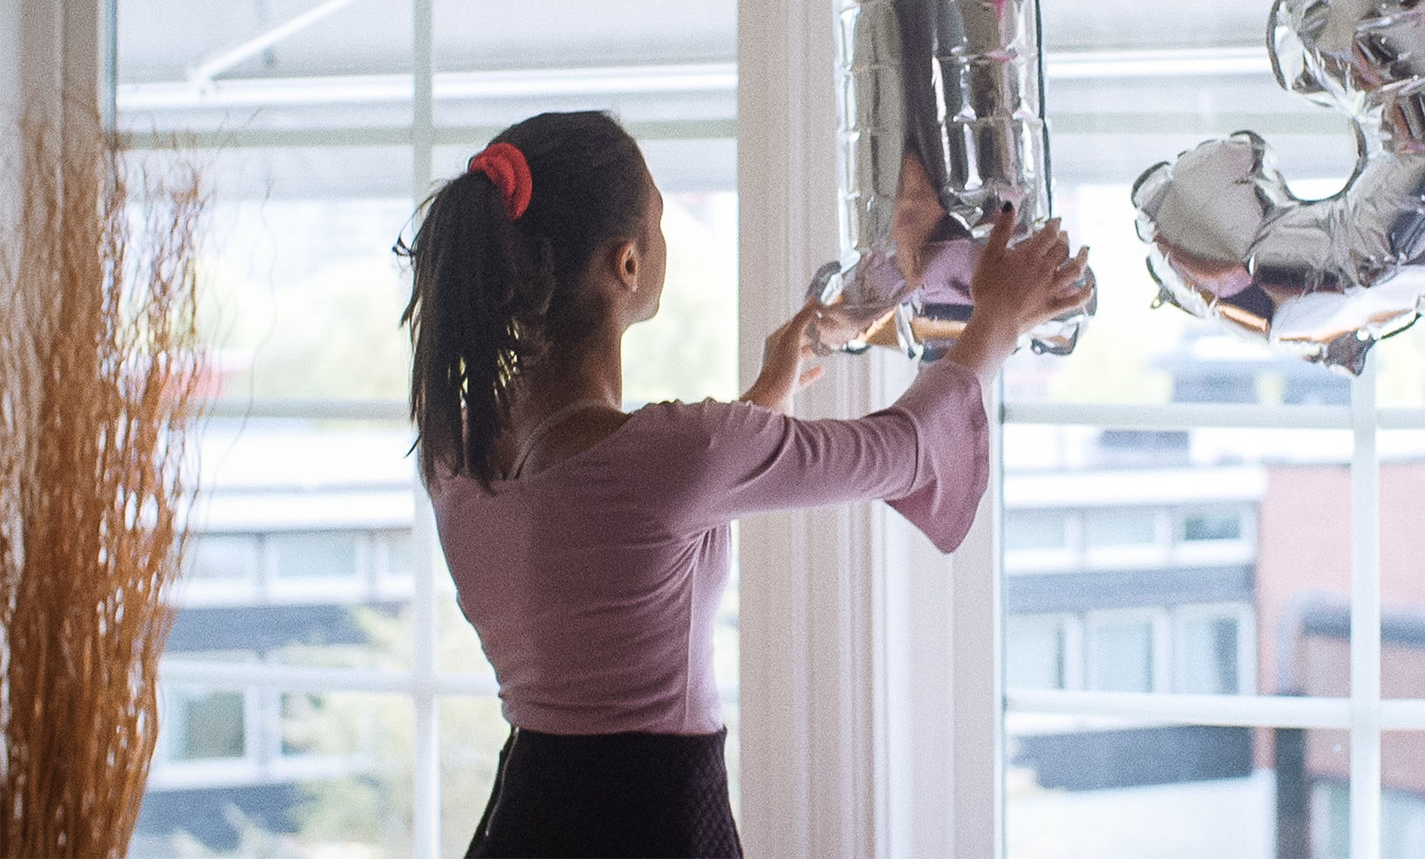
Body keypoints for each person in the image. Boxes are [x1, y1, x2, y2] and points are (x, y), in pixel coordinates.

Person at [398, 111, 1091, 858]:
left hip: (520, 822)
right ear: (627, 264)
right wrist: (996, 321)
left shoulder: (452, 450)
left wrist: (767, 395)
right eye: (660, 222)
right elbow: (906, 450)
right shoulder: (675, 454)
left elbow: (627, 525)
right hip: (653, 828)